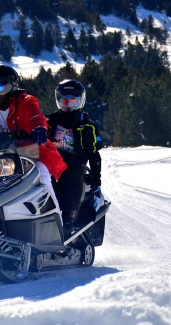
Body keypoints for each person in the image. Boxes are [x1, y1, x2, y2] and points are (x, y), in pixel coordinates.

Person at [0, 65, 67, 221]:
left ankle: (56, 221)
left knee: (41, 174)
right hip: (5, 158)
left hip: (33, 153)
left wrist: (38, 128)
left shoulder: (25, 102)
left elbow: (34, 116)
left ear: (12, 87)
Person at [46, 79, 102, 238]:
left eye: (72, 100)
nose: (67, 104)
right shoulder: (50, 121)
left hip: (74, 163)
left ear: (80, 100)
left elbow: (93, 153)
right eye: (63, 100)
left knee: (73, 176)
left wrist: (97, 179)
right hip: (51, 161)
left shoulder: (87, 125)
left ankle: (68, 221)